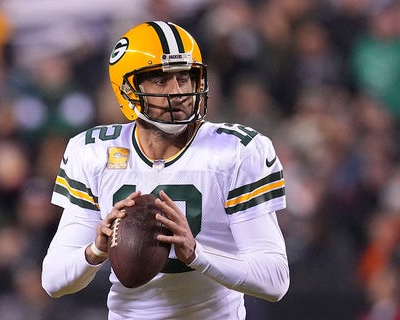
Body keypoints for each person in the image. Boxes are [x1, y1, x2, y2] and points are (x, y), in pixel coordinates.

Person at [41, 21, 290, 319]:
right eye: (161, 81)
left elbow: (275, 280)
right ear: (128, 89)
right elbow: (53, 281)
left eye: (185, 78)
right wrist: (95, 250)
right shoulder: (94, 152)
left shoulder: (237, 152)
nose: (179, 92)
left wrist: (198, 254)